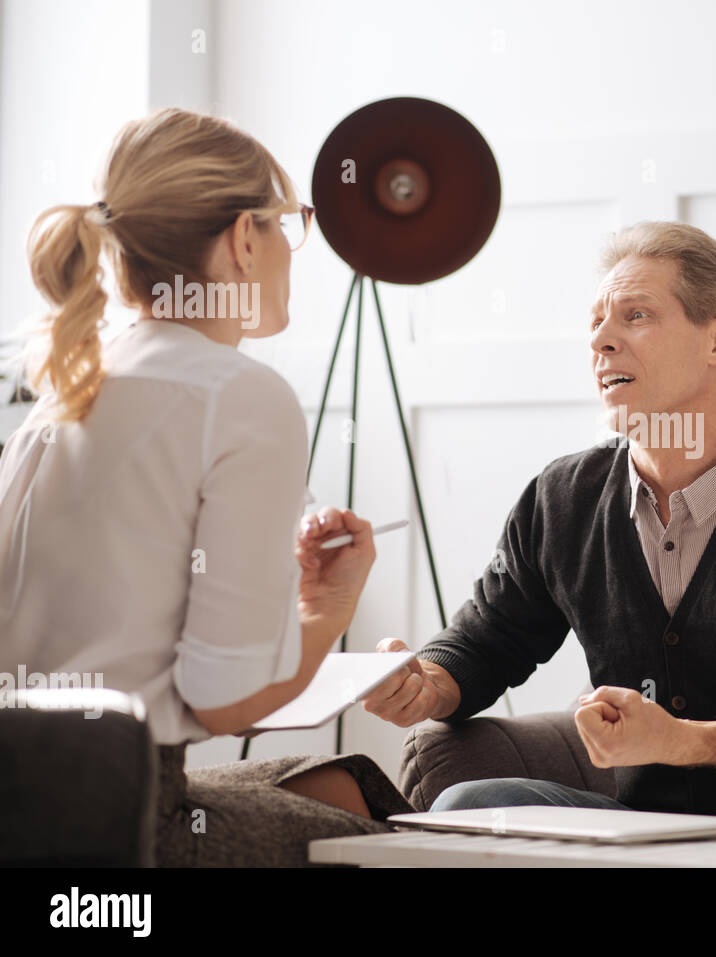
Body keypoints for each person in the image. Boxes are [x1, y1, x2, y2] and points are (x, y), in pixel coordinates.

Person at [363, 221, 716, 822]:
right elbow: (486, 640)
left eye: (636, 316)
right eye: (596, 322)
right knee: (467, 804)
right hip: (648, 825)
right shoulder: (563, 497)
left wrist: (686, 741)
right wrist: (426, 682)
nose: (601, 340)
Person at [0, 107, 414, 866]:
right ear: (241, 240)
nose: (295, 247)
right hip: (125, 825)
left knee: (345, 782)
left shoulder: (67, 390)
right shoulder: (239, 394)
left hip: (29, 802)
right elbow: (221, 700)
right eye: (289, 221)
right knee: (397, 846)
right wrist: (326, 611)